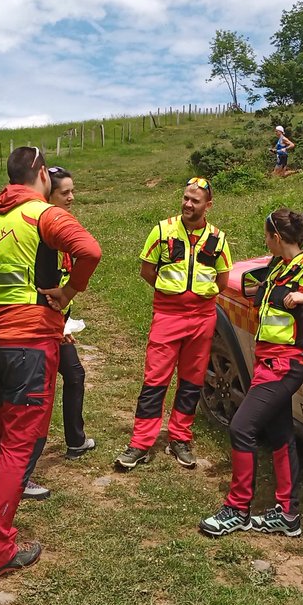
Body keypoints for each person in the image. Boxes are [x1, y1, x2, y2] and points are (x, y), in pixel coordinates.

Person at [0, 147, 101, 582]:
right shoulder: (42, 215)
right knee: (19, 443)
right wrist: (67, 294)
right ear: (42, 174)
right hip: (27, 344)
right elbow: (90, 251)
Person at [199, 208, 303, 537]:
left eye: (266, 236)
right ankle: (287, 515)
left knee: (241, 427)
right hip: (268, 361)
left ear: (277, 237)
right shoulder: (279, 267)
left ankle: (238, 509)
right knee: (280, 435)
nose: (265, 240)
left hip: (284, 364)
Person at [115, 177, 232, 471]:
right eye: (185, 198)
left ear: (208, 205)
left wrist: (196, 299)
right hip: (167, 316)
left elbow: (223, 280)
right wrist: (173, 295)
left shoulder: (218, 238)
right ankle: (141, 443)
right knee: (155, 380)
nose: (188, 204)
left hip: (203, 318)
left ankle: (180, 438)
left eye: (194, 200)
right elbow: (147, 270)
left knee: (192, 382)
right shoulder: (163, 230)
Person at [19, 166, 96, 501]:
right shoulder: (40, 235)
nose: (71, 198)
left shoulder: (59, 235)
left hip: (56, 326)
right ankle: (22, 475)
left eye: (73, 191)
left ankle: (75, 441)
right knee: (39, 400)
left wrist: (64, 323)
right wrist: (55, 324)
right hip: (38, 330)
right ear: (47, 194)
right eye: (65, 192)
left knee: (74, 375)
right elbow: (40, 290)